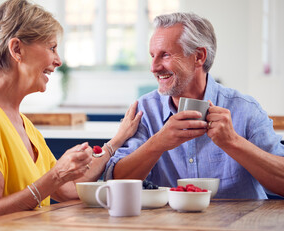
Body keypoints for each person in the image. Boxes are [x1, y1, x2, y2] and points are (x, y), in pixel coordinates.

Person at [0, 0, 142, 231]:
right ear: (17, 49)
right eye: (51, 48)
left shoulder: (23, 124)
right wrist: (57, 174)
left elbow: (68, 189)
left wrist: (115, 142)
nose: (58, 61)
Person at [104, 12, 284, 199]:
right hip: (168, 226)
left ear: (198, 56)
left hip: (239, 226)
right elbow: (115, 184)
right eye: (152, 56)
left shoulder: (245, 109)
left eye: (165, 55)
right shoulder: (145, 112)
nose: (154, 67)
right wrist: (158, 143)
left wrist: (233, 142)